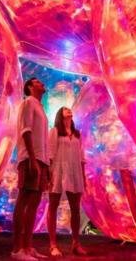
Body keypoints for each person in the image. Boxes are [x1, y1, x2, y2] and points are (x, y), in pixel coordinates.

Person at [11, 77, 49, 261]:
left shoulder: (40, 108)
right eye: (38, 82)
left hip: (40, 160)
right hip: (30, 158)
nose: (42, 84)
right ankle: (17, 249)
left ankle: (28, 246)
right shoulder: (28, 103)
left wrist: (45, 164)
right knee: (24, 199)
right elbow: (25, 131)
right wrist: (32, 159)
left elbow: (42, 138)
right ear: (30, 86)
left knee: (34, 203)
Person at [47, 107, 88, 257]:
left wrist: (83, 177)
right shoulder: (55, 132)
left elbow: (82, 157)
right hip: (58, 170)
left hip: (74, 171)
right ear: (60, 115)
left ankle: (76, 243)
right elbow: (50, 154)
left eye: (69, 109)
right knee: (53, 206)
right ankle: (52, 245)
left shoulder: (77, 134)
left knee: (75, 208)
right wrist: (48, 175)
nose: (68, 109)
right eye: (65, 109)